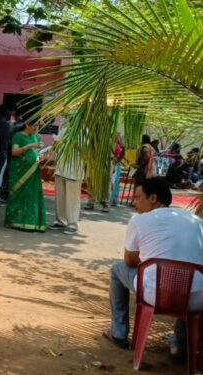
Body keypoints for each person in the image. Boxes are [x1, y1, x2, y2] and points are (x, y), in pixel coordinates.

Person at [103, 177, 203, 357]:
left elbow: (129, 261)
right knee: (191, 281)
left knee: (117, 268)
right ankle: (180, 344)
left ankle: (118, 332)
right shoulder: (196, 220)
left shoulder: (139, 220)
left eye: (137, 198)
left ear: (153, 198)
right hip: (197, 298)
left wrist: (150, 261)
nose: (134, 204)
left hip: (156, 294)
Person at [4, 121, 46, 232]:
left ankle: (31, 222)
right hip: (20, 171)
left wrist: (41, 155)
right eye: (35, 125)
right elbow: (14, 151)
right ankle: (14, 220)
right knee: (19, 194)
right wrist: (29, 146)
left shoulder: (36, 136)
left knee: (32, 195)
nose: (36, 128)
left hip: (33, 170)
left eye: (38, 126)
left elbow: (38, 150)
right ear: (27, 124)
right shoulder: (18, 136)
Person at [49, 136, 85, 235]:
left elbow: (86, 152)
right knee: (60, 197)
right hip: (61, 168)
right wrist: (56, 144)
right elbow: (55, 148)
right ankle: (61, 221)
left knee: (72, 199)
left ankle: (72, 224)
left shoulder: (85, 132)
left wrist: (71, 142)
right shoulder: (63, 128)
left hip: (73, 170)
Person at [109, 133, 125, 206]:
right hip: (113, 164)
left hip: (117, 165)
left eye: (120, 137)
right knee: (113, 181)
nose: (119, 138)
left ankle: (114, 199)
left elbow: (120, 156)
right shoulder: (114, 145)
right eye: (118, 137)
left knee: (115, 182)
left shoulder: (120, 146)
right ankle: (112, 199)